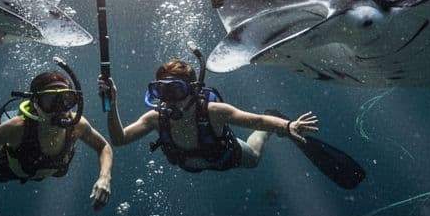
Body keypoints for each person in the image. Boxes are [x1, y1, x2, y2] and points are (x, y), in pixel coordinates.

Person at [100, 56, 364, 188]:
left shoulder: (214, 110)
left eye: (176, 91)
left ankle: (274, 124)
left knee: (256, 154)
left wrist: (286, 126)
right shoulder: (156, 118)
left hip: (228, 156)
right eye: (163, 91)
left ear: (192, 90)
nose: (170, 100)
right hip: (195, 163)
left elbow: (257, 119)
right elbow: (119, 139)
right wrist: (112, 103)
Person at [0, 64, 113, 216]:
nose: (59, 109)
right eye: (50, 100)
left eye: (66, 99)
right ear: (35, 102)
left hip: (44, 168)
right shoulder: (17, 127)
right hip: (4, 168)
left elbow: (104, 147)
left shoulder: (77, 125)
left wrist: (105, 177)